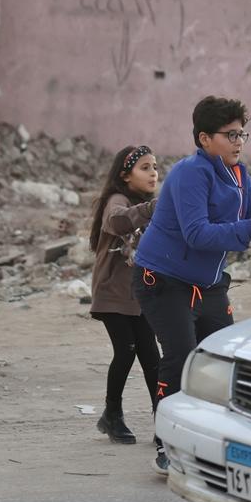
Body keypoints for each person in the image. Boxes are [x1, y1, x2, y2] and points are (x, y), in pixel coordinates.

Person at [133, 96, 251, 474]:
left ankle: (213, 439)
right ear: (204, 139)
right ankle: (166, 444)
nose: (239, 142)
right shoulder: (191, 173)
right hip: (164, 281)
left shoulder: (238, 173)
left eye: (242, 134)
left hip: (207, 285)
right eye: (230, 135)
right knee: (181, 357)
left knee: (222, 359)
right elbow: (196, 233)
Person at [88, 145, 161, 444]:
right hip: (112, 294)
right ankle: (112, 414)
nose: (153, 172)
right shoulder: (118, 200)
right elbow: (117, 221)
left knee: (152, 359)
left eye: (155, 166)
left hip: (140, 294)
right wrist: (151, 209)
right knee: (126, 350)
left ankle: (165, 421)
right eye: (145, 167)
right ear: (125, 175)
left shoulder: (150, 202)